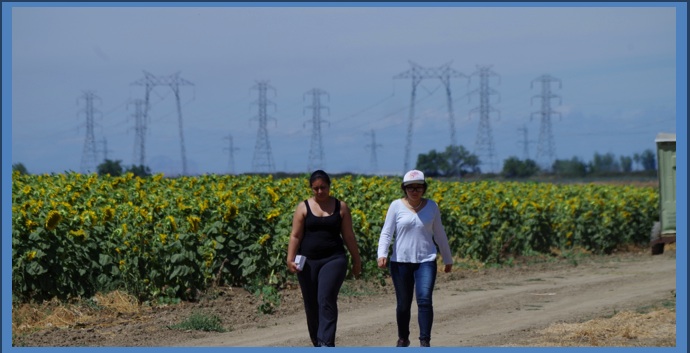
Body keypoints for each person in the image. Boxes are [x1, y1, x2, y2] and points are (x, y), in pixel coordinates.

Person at [377, 169, 453, 348]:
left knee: (424, 299)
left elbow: (439, 233)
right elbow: (387, 232)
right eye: (410, 187)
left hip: (426, 260)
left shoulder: (432, 206)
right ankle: (403, 338)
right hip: (400, 262)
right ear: (404, 189)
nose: (414, 191)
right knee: (403, 304)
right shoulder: (396, 206)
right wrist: (382, 254)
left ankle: (424, 341)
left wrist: (447, 258)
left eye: (419, 187)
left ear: (424, 189)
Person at [287, 170, 362, 347]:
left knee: (326, 299)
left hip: (334, 259)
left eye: (323, 187)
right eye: (316, 188)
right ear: (311, 189)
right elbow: (295, 236)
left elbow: (349, 236)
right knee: (311, 304)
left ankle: (326, 344)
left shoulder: (340, 207)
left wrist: (357, 260)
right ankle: (317, 342)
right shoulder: (303, 207)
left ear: (329, 186)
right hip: (307, 262)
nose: (320, 192)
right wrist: (290, 258)